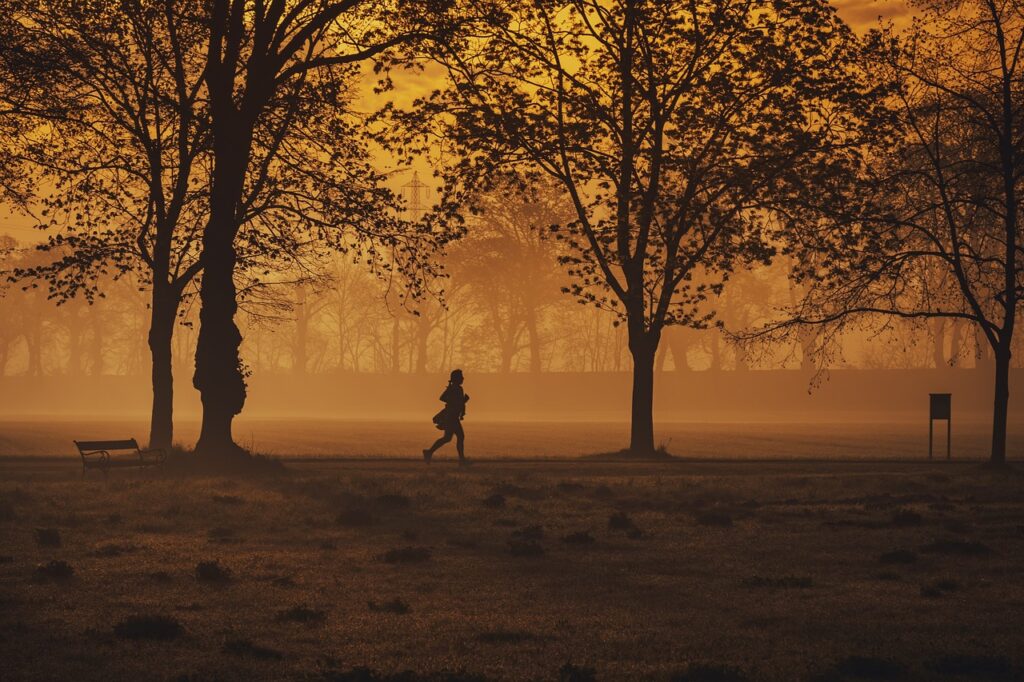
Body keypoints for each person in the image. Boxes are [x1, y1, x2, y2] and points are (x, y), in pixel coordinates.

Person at [423, 369, 469, 465]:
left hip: (452, 416)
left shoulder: (457, 388)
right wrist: (462, 401)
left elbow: (457, 402)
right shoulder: (455, 388)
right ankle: (462, 460)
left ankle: (429, 452)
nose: (463, 378)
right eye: (461, 377)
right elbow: (443, 398)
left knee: (448, 438)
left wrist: (462, 404)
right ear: (457, 378)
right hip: (451, 417)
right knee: (459, 436)